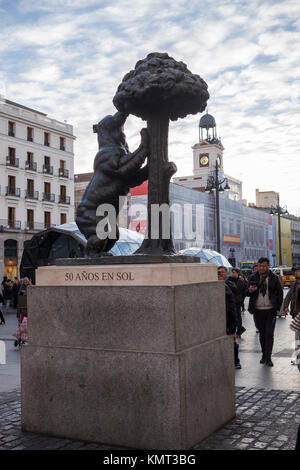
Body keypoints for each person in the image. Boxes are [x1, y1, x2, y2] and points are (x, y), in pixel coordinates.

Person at [247, 257, 283, 367]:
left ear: (268, 266)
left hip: (270, 310)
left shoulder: (274, 277)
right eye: (259, 266)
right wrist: (250, 290)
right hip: (258, 310)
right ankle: (263, 354)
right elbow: (246, 292)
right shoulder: (252, 277)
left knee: (269, 334)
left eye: (263, 266)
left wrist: (277, 307)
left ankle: (268, 357)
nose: (261, 268)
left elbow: (280, 293)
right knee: (262, 335)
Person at [217, 266, 241, 369]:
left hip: (229, 318)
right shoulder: (214, 286)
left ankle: (236, 361)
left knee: (232, 341)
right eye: (218, 273)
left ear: (227, 274)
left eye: (222, 272)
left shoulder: (229, 285)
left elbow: (232, 308)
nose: (220, 274)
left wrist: (233, 328)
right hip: (218, 319)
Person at [228, 267, 247, 338]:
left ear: (237, 273)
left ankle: (239, 331)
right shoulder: (230, 279)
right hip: (231, 301)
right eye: (232, 272)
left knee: (238, 317)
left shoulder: (240, 281)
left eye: (234, 272)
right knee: (233, 317)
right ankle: (236, 330)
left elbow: (236, 290)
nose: (232, 274)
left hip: (237, 301)